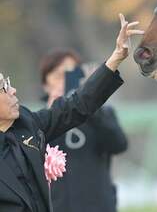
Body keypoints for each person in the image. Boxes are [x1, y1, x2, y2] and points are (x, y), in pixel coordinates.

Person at [0, 13, 143, 212]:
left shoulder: (27, 124)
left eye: (72, 74)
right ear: (45, 82)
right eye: (3, 87)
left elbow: (76, 106)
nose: (13, 90)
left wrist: (116, 57)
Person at [39, 48, 128, 212]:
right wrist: (52, 113)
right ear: (45, 85)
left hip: (98, 204)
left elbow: (119, 145)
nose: (64, 82)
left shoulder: (103, 113)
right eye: (59, 76)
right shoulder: (37, 122)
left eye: (71, 75)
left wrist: (92, 101)